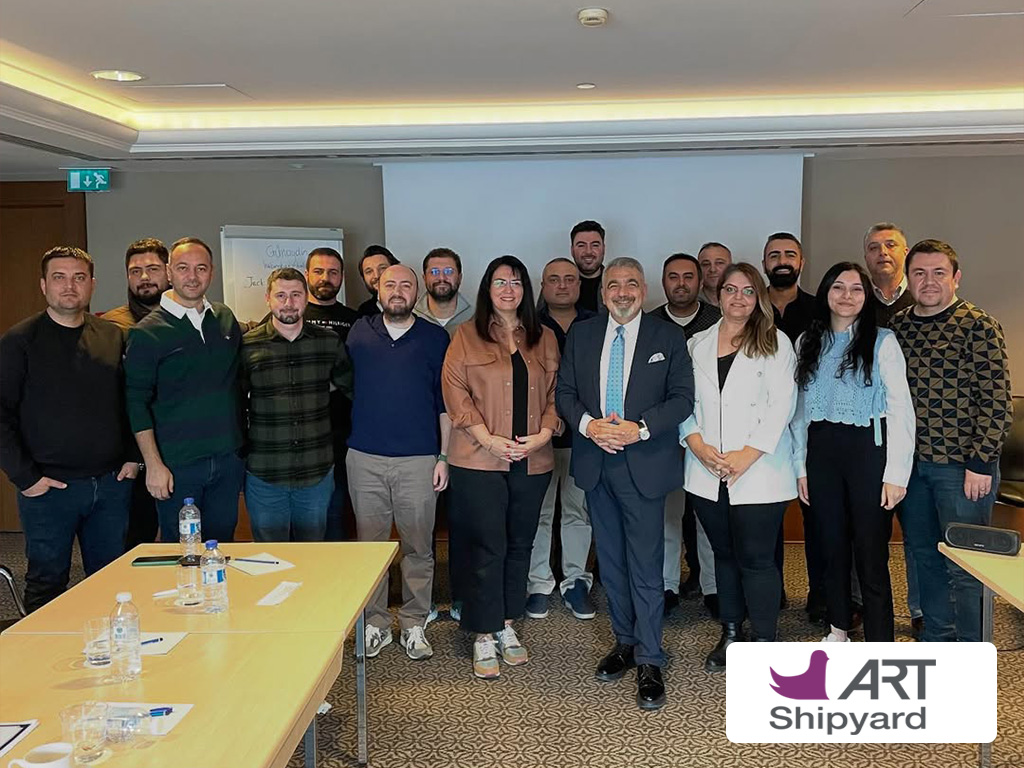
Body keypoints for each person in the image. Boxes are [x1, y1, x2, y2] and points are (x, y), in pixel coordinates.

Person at [557, 257, 694, 710]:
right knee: (612, 563)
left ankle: (651, 657)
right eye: (613, 284)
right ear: (603, 292)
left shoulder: (667, 337)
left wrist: (640, 429)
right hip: (597, 461)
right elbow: (565, 394)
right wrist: (589, 426)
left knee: (646, 565)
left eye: (631, 284)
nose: (622, 292)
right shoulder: (582, 334)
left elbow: (682, 399)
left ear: (643, 289)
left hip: (643, 463)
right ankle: (626, 642)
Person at [0, 247, 138, 612]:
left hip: (110, 485)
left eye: (79, 278)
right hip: (48, 489)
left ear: (92, 284)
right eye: (59, 277)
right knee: (46, 581)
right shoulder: (19, 341)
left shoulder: (111, 336)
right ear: (43, 285)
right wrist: (25, 477)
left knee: (110, 582)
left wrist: (132, 457)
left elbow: (129, 401)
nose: (69, 286)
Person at [443, 256, 561, 679]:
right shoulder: (465, 335)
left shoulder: (545, 337)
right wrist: (488, 438)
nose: (508, 289)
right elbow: (455, 394)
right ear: (487, 289)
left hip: (532, 459)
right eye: (499, 282)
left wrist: (545, 433)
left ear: (526, 290)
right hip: (479, 459)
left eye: (515, 282)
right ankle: (482, 631)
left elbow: (556, 394)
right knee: (486, 545)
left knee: (519, 544)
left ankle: (507, 623)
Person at [891, 239, 1013, 642]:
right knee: (925, 557)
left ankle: (972, 650)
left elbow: (996, 401)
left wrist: (981, 463)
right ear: (908, 279)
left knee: (967, 564)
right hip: (911, 469)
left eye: (938, 272)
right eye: (919, 273)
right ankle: (937, 641)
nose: (928, 281)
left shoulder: (979, 325)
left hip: (962, 470)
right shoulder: (898, 327)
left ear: (956, 278)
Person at [680, 263, 797, 670]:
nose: (738, 298)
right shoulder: (696, 344)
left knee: (757, 558)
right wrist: (696, 443)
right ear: (718, 295)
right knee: (723, 554)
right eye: (731, 289)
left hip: (759, 470)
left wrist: (747, 455)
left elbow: (782, 405)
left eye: (748, 291)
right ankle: (731, 632)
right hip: (706, 468)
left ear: (759, 296)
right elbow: (682, 401)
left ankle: (763, 640)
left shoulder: (777, 342)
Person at [792, 262, 915, 643]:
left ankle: (880, 643)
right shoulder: (807, 342)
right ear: (826, 293)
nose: (847, 296)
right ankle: (838, 631)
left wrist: (896, 475)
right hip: (821, 455)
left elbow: (901, 409)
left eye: (856, 289)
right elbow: (798, 413)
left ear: (866, 296)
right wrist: (800, 467)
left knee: (870, 554)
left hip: (868, 453)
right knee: (831, 548)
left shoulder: (882, 341)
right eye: (838, 287)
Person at [346, 264, 451, 660]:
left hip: (419, 459)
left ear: (416, 293)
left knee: (418, 546)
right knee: (370, 549)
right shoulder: (359, 333)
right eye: (390, 284)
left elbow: (445, 404)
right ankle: (375, 623)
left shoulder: (435, 338)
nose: (398, 291)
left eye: (406, 285)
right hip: (365, 458)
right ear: (378, 290)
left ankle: (413, 623)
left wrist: (444, 456)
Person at [124, 237, 245, 545]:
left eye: (201, 268)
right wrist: (153, 464)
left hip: (227, 462)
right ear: (169, 272)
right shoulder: (146, 333)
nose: (192, 276)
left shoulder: (224, 318)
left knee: (222, 548)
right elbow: (136, 402)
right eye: (183, 268)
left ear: (211, 272)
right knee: (183, 555)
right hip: (177, 466)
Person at [240, 268, 353, 542]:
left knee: (313, 554)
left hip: (316, 471)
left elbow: (350, 388)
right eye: (280, 295)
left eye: (295, 295)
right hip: (266, 471)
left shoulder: (328, 342)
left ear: (306, 298)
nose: (288, 303)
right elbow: (234, 402)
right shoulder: (247, 346)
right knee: (269, 556)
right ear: (268, 298)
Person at [650, 253, 720, 615]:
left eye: (688, 276)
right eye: (673, 277)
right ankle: (667, 586)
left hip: (709, 436)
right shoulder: (650, 324)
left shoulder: (718, 321)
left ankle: (713, 587)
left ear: (700, 281)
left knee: (708, 517)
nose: (681, 283)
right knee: (668, 516)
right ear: (663, 282)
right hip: (663, 436)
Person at [526, 258, 596, 621]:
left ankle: (576, 581)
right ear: (543, 285)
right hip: (536, 438)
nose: (563, 285)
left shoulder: (596, 325)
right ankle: (538, 583)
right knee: (538, 513)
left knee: (577, 511)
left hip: (583, 436)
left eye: (570, 279)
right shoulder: (528, 326)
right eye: (554, 279)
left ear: (580, 286)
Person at [861, 222, 922, 637]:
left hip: (920, 439)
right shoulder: (857, 300)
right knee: (867, 536)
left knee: (918, 535)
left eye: (890, 245)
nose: (882, 252)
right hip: (867, 442)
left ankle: (919, 609)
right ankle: (861, 606)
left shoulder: (923, 297)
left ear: (905, 252)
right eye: (873, 247)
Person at [762, 231, 822, 617]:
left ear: (801, 262)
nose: (782, 261)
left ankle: (821, 595)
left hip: (811, 425)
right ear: (764, 263)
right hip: (761, 427)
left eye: (789, 254)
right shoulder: (751, 308)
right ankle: (771, 592)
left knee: (817, 516)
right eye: (774, 255)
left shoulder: (820, 309)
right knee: (766, 515)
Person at [102, 237, 171, 548]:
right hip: (130, 454)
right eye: (135, 271)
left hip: (179, 444)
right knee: (135, 541)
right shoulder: (111, 326)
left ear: (169, 272)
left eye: (153, 269)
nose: (144, 277)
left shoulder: (190, 321)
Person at [301, 247, 358, 541]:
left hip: (342, 433)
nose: (326, 277)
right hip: (300, 437)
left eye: (333, 272)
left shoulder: (356, 321)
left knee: (336, 515)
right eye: (319, 271)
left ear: (342, 277)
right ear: (307, 274)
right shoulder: (291, 315)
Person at [414, 247, 474, 333]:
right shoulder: (411, 316)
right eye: (434, 272)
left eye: (449, 271)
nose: (442, 278)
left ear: (459, 278)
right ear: (424, 278)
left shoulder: (476, 317)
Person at [570, 221, 607, 313]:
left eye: (595, 245)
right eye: (581, 245)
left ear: (603, 249)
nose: (588, 252)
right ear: (572, 250)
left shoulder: (617, 282)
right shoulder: (558, 284)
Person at [355, 245, 399, 318]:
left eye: (382, 268)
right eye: (369, 271)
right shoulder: (363, 312)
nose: (376, 276)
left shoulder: (410, 302)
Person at [697, 242, 732, 308]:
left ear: (731, 267)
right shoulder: (690, 303)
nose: (712, 269)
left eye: (719, 263)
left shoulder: (744, 300)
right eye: (706, 264)